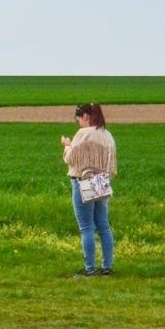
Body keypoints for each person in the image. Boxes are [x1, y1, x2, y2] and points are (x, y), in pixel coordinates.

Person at [61, 103, 117, 276]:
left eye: (78, 119)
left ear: (85, 116)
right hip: (101, 181)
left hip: (82, 182)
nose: (78, 123)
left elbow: (71, 158)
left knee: (86, 227)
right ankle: (107, 267)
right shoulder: (106, 135)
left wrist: (67, 145)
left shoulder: (83, 134)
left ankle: (89, 268)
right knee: (104, 226)